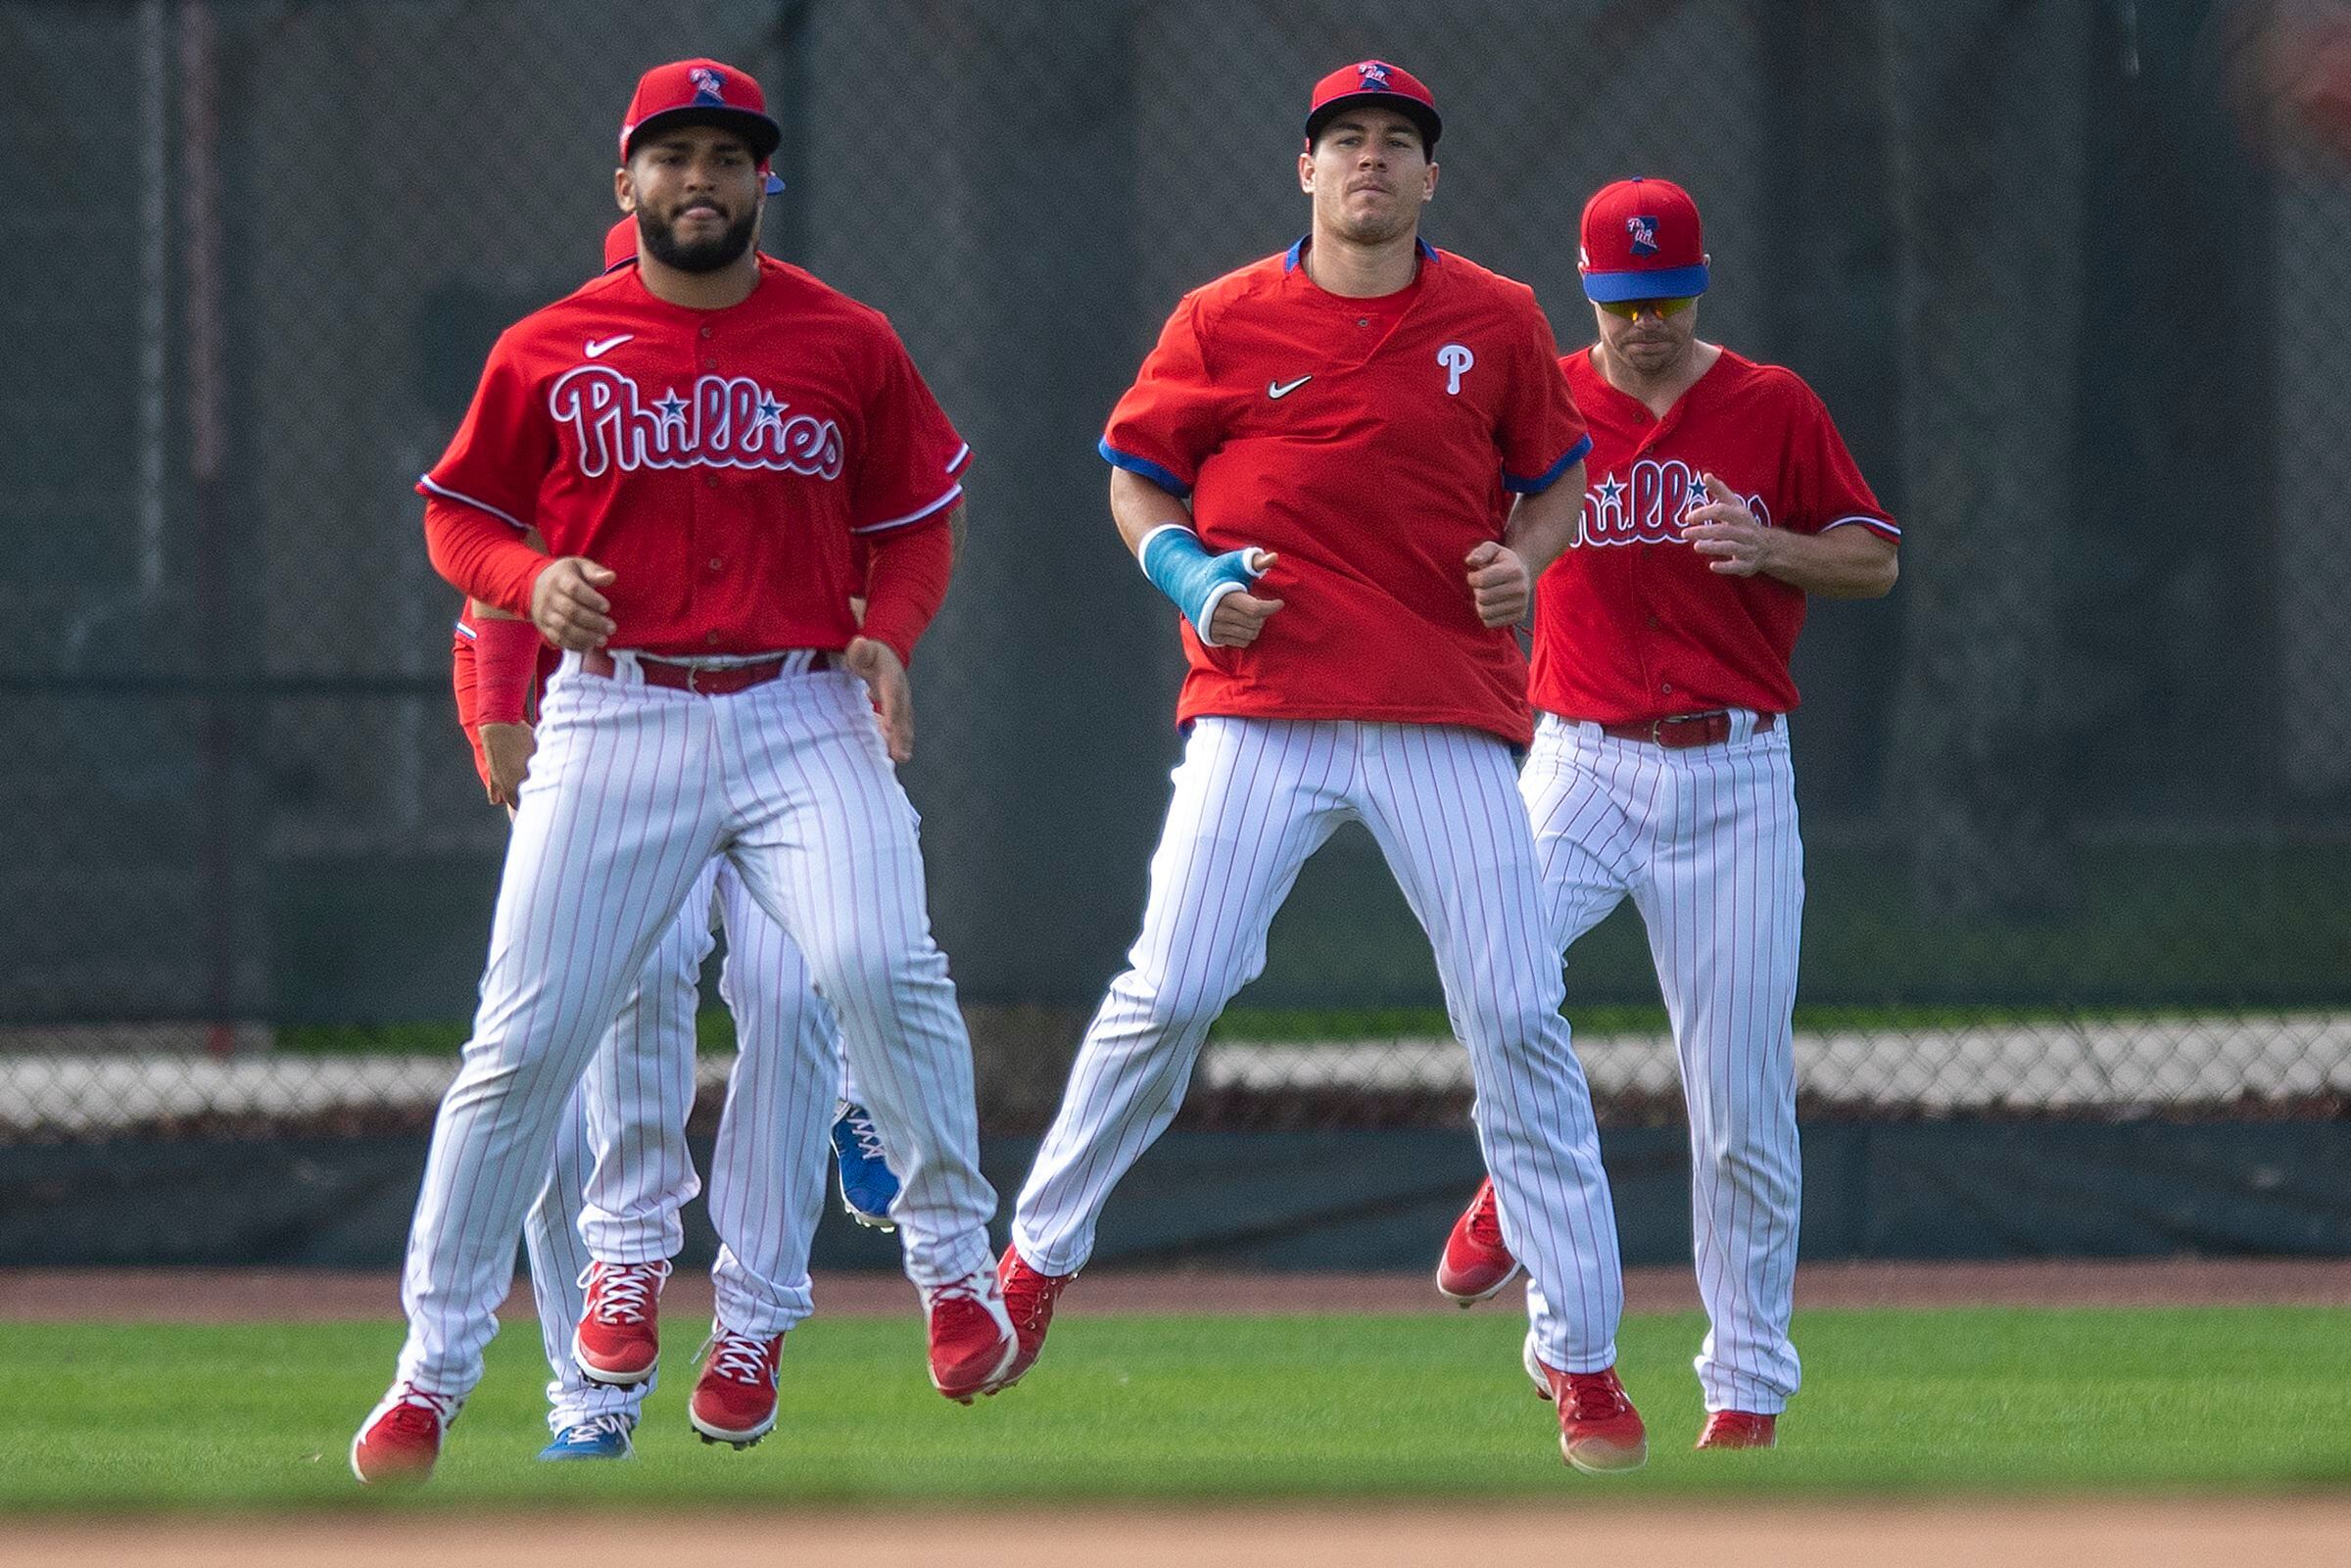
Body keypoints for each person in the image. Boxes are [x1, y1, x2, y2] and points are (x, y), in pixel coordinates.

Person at [352, 59, 1012, 1485]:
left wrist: (891, 632)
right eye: (672, 155)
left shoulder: (847, 339)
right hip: (620, 716)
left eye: (725, 155)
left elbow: (916, 521)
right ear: (627, 182)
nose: (698, 178)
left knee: (878, 964)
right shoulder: (550, 346)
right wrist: (527, 583)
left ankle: (956, 1268)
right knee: (522, 1047)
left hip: (801, 707)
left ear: (764, 179)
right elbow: (460, 519)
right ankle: (431, 1375)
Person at [994, 60, 1647, 1475]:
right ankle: (1034, 1261)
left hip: (1440, 706)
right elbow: (1135, 478)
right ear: (1305, 167)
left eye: (1398, 141)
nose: (1371, 159)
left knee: (1516, 1013)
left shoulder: (1496, 317)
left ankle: (1582, 1350)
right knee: (1175, 985)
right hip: (1263, 701)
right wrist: (1187, 572)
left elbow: (1558, 480)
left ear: (1431, 175)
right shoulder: (1222, 317)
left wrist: (1526, 560)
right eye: (1346, 138)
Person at [1431, 177, 1899, 1451]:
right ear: (1589, 293)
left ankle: (1744, 1388)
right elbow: (1452, 535)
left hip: (1733, 772)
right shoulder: (1540, 400)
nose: (1646, 324)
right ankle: (1528, 1209)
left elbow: (1874, 556)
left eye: (1667, 298)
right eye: (1625, 301)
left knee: (1740, 1103)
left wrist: (1774, 547)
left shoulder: (1770, 403)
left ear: (1700, 287)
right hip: (1579, 756)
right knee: (1495, 976)